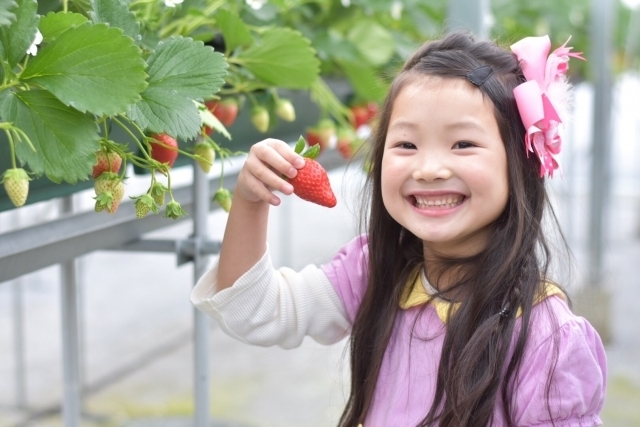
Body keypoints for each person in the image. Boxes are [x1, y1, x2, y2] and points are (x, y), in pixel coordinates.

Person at [191, 31, 607, 427]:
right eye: (406, 144)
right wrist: (248, 200)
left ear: (521, 163)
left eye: (462, 144)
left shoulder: (547, 340)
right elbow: (256, 312)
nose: (427, 169)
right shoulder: (373, 271)